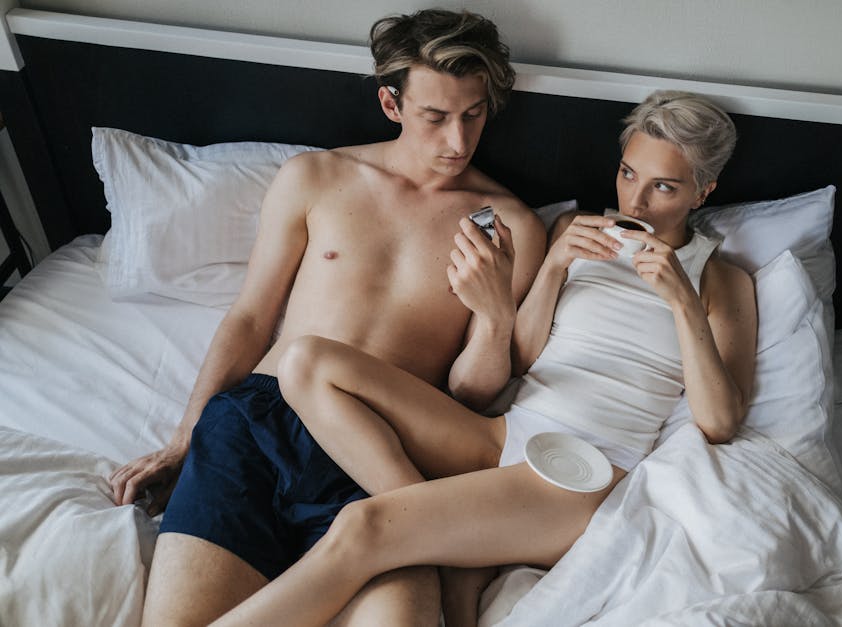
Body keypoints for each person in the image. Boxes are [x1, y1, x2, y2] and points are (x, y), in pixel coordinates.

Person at [206, 89, 758, 627]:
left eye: (663, 187)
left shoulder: (720, 280)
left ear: (702, 192)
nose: (634, 202)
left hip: (581, 469)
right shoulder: (574, 232)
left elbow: (719, 421)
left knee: (363, 527)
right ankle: (450, 546)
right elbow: (518, 363)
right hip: (502, 433)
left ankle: (446, 549)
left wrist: (682, 299)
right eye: (628, 174)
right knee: (305, 362)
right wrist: (555, 267)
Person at [107, 9, 547, 627]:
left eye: (473, 115)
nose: (457, 140)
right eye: (435, 117)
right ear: (391, 104)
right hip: (259, 425)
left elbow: (469, 394)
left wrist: (496, 315)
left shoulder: (512, 227)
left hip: (382, 451)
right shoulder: (316, 177)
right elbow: (252, 317)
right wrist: (185, 439)